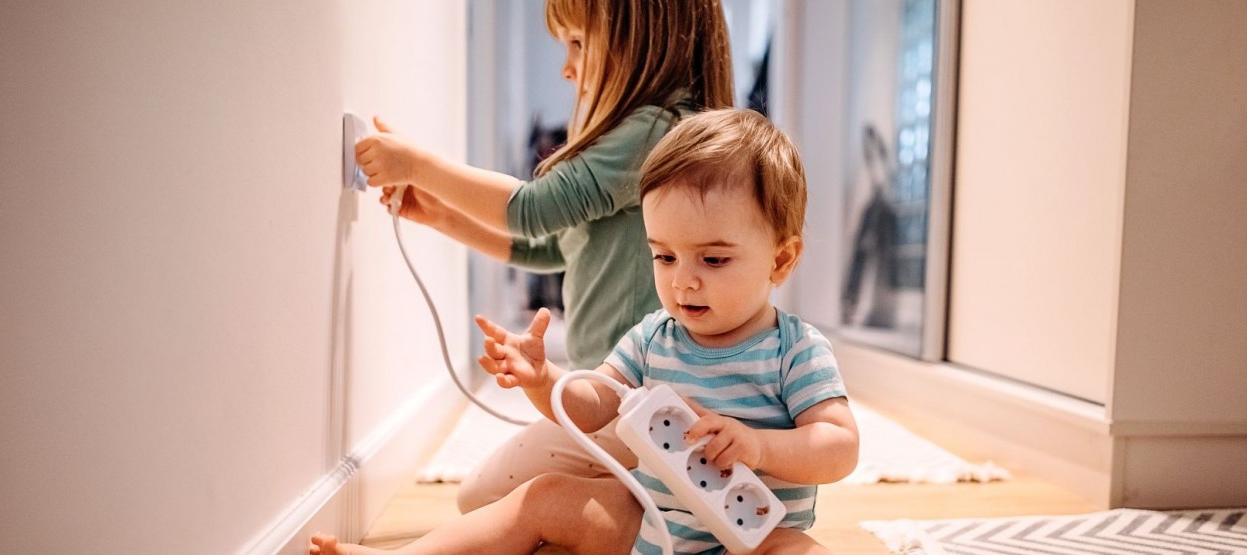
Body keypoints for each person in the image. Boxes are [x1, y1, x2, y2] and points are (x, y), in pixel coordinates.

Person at [312, 110, 859, 554]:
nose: (683, 281)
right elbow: (596, 402)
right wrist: (543, 378)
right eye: (663, 256)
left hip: (757, 539)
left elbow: (839, 448)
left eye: (713, 260)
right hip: (651, 528)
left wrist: (760, 446)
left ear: (781, 260)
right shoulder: (652, 337)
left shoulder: (797, 351)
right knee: (546, 496)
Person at [355, 0, 737, 512]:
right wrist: (444, 216)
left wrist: (419, 165)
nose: (567, 65)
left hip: (636, 402)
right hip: (619, 398)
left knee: (482, 499)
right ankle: (641, 491)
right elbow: (554, 244)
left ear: (641, 37)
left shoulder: (654, 131)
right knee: (488, 495)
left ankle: (642, 497)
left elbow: (534, 209)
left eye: (578, 42)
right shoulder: (664, 128)